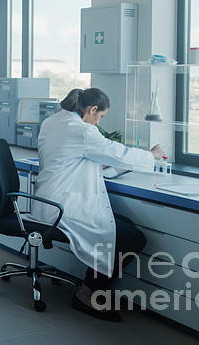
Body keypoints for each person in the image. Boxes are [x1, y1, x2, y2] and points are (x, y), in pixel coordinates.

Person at [34, 88, 166, 322]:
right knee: (132, 238)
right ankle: (89, 292)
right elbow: (117, 152)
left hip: (49, 199)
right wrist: (151, 155)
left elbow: (78, 156)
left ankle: (92, 283)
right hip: (64, 206)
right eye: (101, 116)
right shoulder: (82, 131)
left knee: (119, 225)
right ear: (92, 109)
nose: (99, 121)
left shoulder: (53, 121)